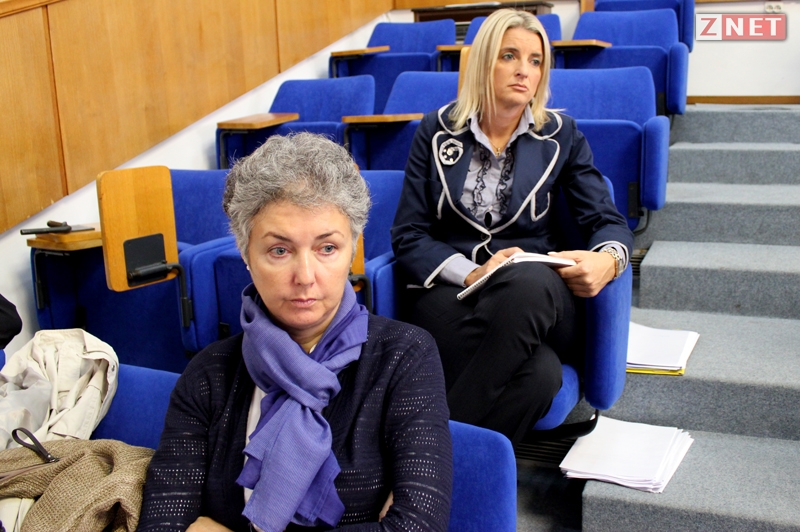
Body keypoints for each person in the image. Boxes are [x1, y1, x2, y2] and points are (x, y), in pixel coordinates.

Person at [139, 133, 452, 532]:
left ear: (353, 251)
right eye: (280, 250)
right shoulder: (208, 374)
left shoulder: (404, 357)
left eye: (327, 248)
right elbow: (162, 524)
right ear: (246, 254)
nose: (305, 277)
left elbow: (418, 525)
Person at [390, 9, 634, 448]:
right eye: (509, 56)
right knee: (541, 376)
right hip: (455, 294)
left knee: (528, 283)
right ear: (485, 61)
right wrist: (471, 272)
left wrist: (610, 260)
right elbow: (409, 234)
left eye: (535, 61)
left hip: (538, 297)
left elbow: (606, 219)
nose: (524, 70)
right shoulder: (436, 130)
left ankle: (427, 453)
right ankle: (463, 469)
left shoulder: (561, 135)